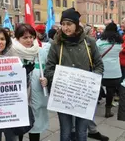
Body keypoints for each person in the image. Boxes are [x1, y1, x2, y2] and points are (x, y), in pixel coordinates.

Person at [44, 8, 104, 141]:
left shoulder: (89, 42)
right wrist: (61, 78)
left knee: (81, 132)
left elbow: (99, 65)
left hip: (84, 95)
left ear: (76, 24)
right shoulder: (56, 44)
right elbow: (49, 68)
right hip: (63, 94)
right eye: (63, 24)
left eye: (69, 24)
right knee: (65, 131)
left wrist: (94, 79)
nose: (65, 28)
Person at [12, 24, 50, 141]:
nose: (29, 40)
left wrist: (47, 79)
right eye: (25, 37)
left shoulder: (41, 52)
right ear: (17, 38)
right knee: (19, 128)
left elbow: (48, 69)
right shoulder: (11, 53)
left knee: (35, 126)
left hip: (36, 96)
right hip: (18, 98)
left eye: (31, 37)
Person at [96, 22, 123, 118]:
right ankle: (108, 110)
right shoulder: (119, 42)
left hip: (103, 69)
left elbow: (96, 51)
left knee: (98, 86)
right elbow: (119, 51)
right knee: (110, 91)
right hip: (115, 70)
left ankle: (93, 105)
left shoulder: (100, 41)